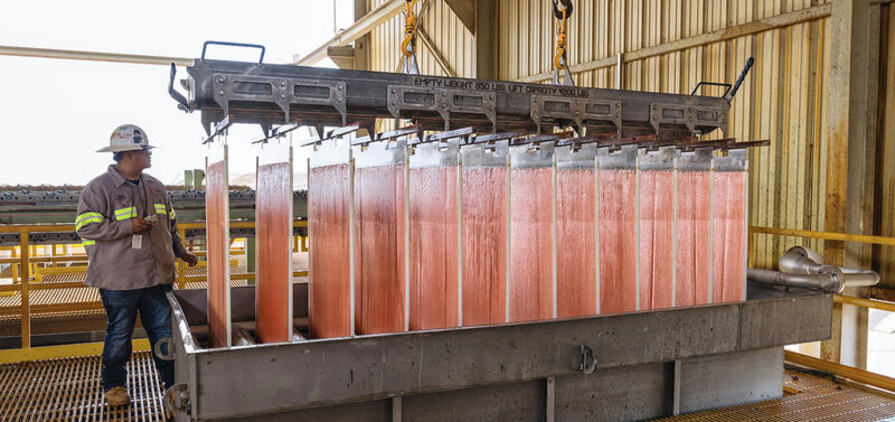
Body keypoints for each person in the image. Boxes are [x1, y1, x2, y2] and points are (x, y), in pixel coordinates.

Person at [76, 124, 198, 407]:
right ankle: (114, 386)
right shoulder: (98, 189)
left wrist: (181, 252)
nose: (150, 155)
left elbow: (171, 226)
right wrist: (126, 227)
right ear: (130, 153)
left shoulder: (155, 186)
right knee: (119, 335)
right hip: (119, 281)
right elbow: (85, 226)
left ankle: (172, 386)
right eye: (146, 151)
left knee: (165, 336)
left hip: (157, 278)